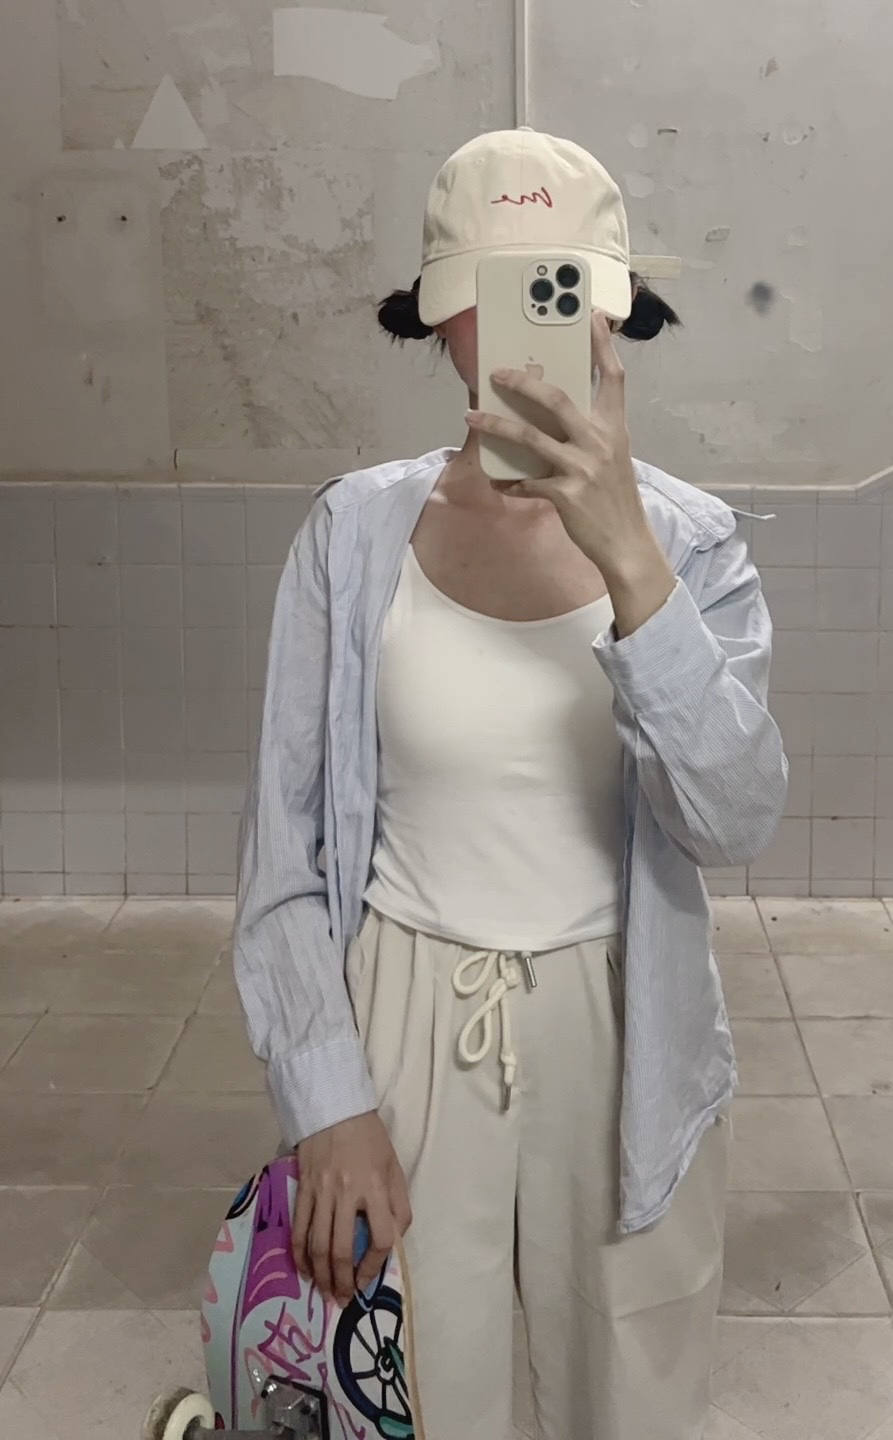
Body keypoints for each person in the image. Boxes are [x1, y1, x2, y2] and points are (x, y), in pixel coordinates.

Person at [234, 127, 787, 1440]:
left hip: (624, 1018)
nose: (524, 335)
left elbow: (733, 817)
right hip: (406, 1018)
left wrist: (630, 561)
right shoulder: (352, 537)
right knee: (420, 1393)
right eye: (488, 296)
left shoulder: (693, 544)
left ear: (612, 315)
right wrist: (329, 1099)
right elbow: (284, 850)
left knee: (629, 1394)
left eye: (555, 290)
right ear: (440, 322)